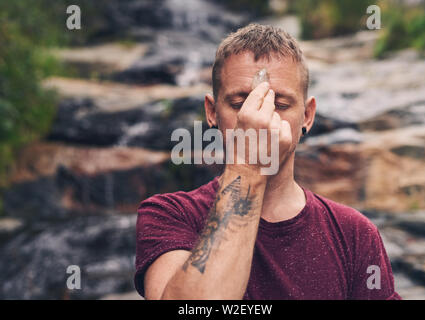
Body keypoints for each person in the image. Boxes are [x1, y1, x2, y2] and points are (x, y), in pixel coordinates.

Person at [134, 23, 401, 300]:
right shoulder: (169, 215)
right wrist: (248, 168)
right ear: (212, 112)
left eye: (280, 105)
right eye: (240, 104)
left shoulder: (354, 233)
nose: (259, 120)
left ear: (307, 116)